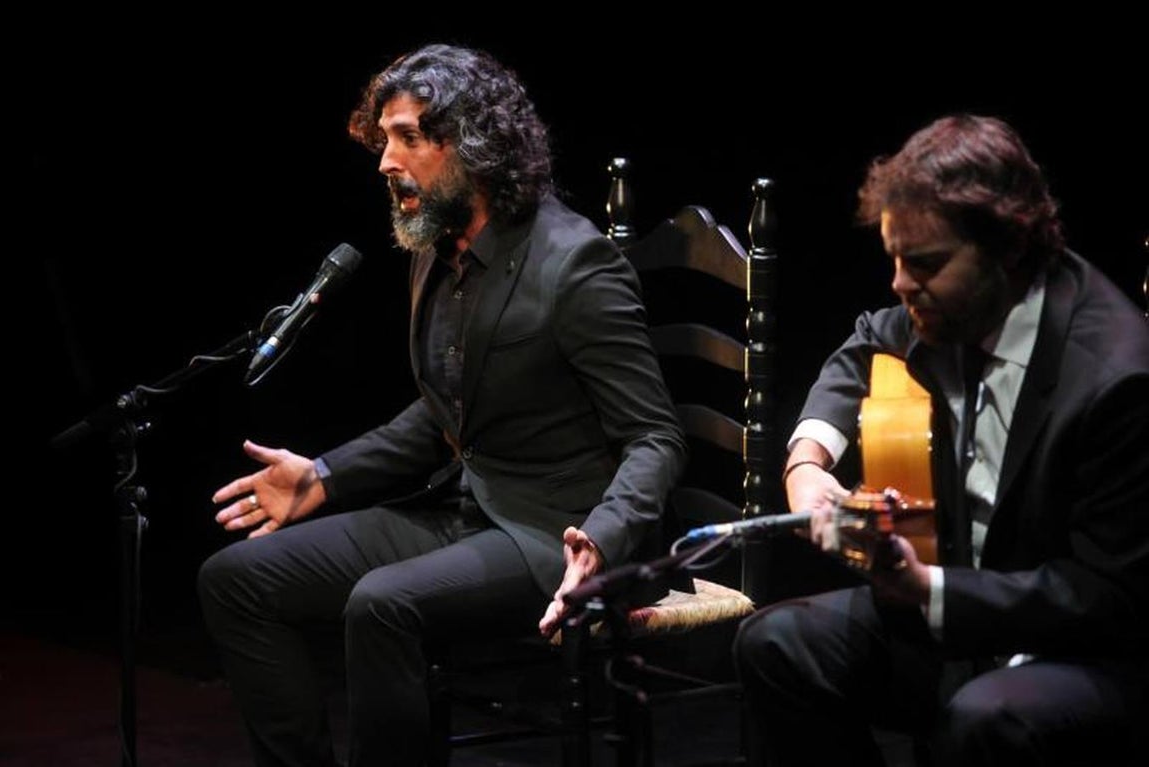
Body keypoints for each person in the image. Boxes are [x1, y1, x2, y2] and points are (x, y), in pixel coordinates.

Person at [197, 43, 685, 767]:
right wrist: (324, 475)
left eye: (408, 138)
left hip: (553, 532)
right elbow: (444, 411)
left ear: (474, 148)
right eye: (384, 138)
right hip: (466, 511)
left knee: (381, 603)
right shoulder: (436, 248)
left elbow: (655, 435)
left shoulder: (573, 264)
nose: (385, 162)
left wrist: (603, 538)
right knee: (238, 580)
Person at [734, 115, 1149, 766]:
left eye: (923, 264)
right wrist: (808, 465)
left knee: (984, 718)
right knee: (776, 642)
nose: (901, 284)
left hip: (1078, 652)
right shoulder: (947, 308)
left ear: (1008, 251)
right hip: (953, 615)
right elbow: (866, 343)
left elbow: (1108, 597)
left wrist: (930, 589)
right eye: (894, 259)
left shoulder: (1116, 379)